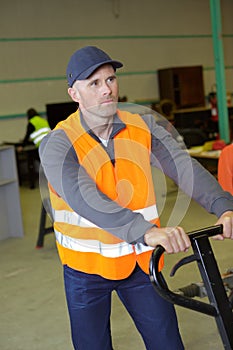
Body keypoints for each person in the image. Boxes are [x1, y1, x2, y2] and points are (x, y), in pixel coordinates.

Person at [39, 46, 233, 350]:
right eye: (94, 83)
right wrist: (148, 231)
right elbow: (84, 197)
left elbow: (183, 167)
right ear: (74, 93)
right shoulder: (58, 143)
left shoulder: (142, 127)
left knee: (167, 342)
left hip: (142, 263)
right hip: (85, 271)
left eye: (111, 79)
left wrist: (223, 206)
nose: (107, 89)